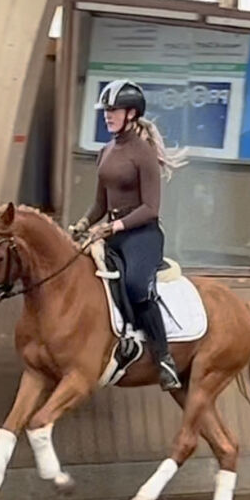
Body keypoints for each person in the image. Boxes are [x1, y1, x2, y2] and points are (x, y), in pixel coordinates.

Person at [69, 79, 188, 391]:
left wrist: (114, 226)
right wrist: (82, 224)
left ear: (132, 113)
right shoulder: (106, 151)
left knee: (136, 285)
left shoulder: (143, 153)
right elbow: (100, 203)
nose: (108, 115)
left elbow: (151, 208)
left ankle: (163, 358)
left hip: (142, 235)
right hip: (112, 232)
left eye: (114, 110)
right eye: (106, 111)